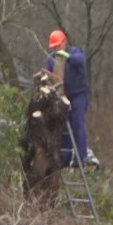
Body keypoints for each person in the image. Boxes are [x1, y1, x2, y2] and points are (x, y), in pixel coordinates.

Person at [45, 29, 97, 168]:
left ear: (64, 42)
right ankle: (64, 156)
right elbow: (47, 71)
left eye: (58, 45)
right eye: (54, 47)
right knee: (61, 125)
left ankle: (81, 156)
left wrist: (67, 57)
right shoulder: (52, 58)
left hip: (78, 95)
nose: (56, 49)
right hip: (63, 95)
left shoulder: (75, 52)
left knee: (77, 123)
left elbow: (80, 60)